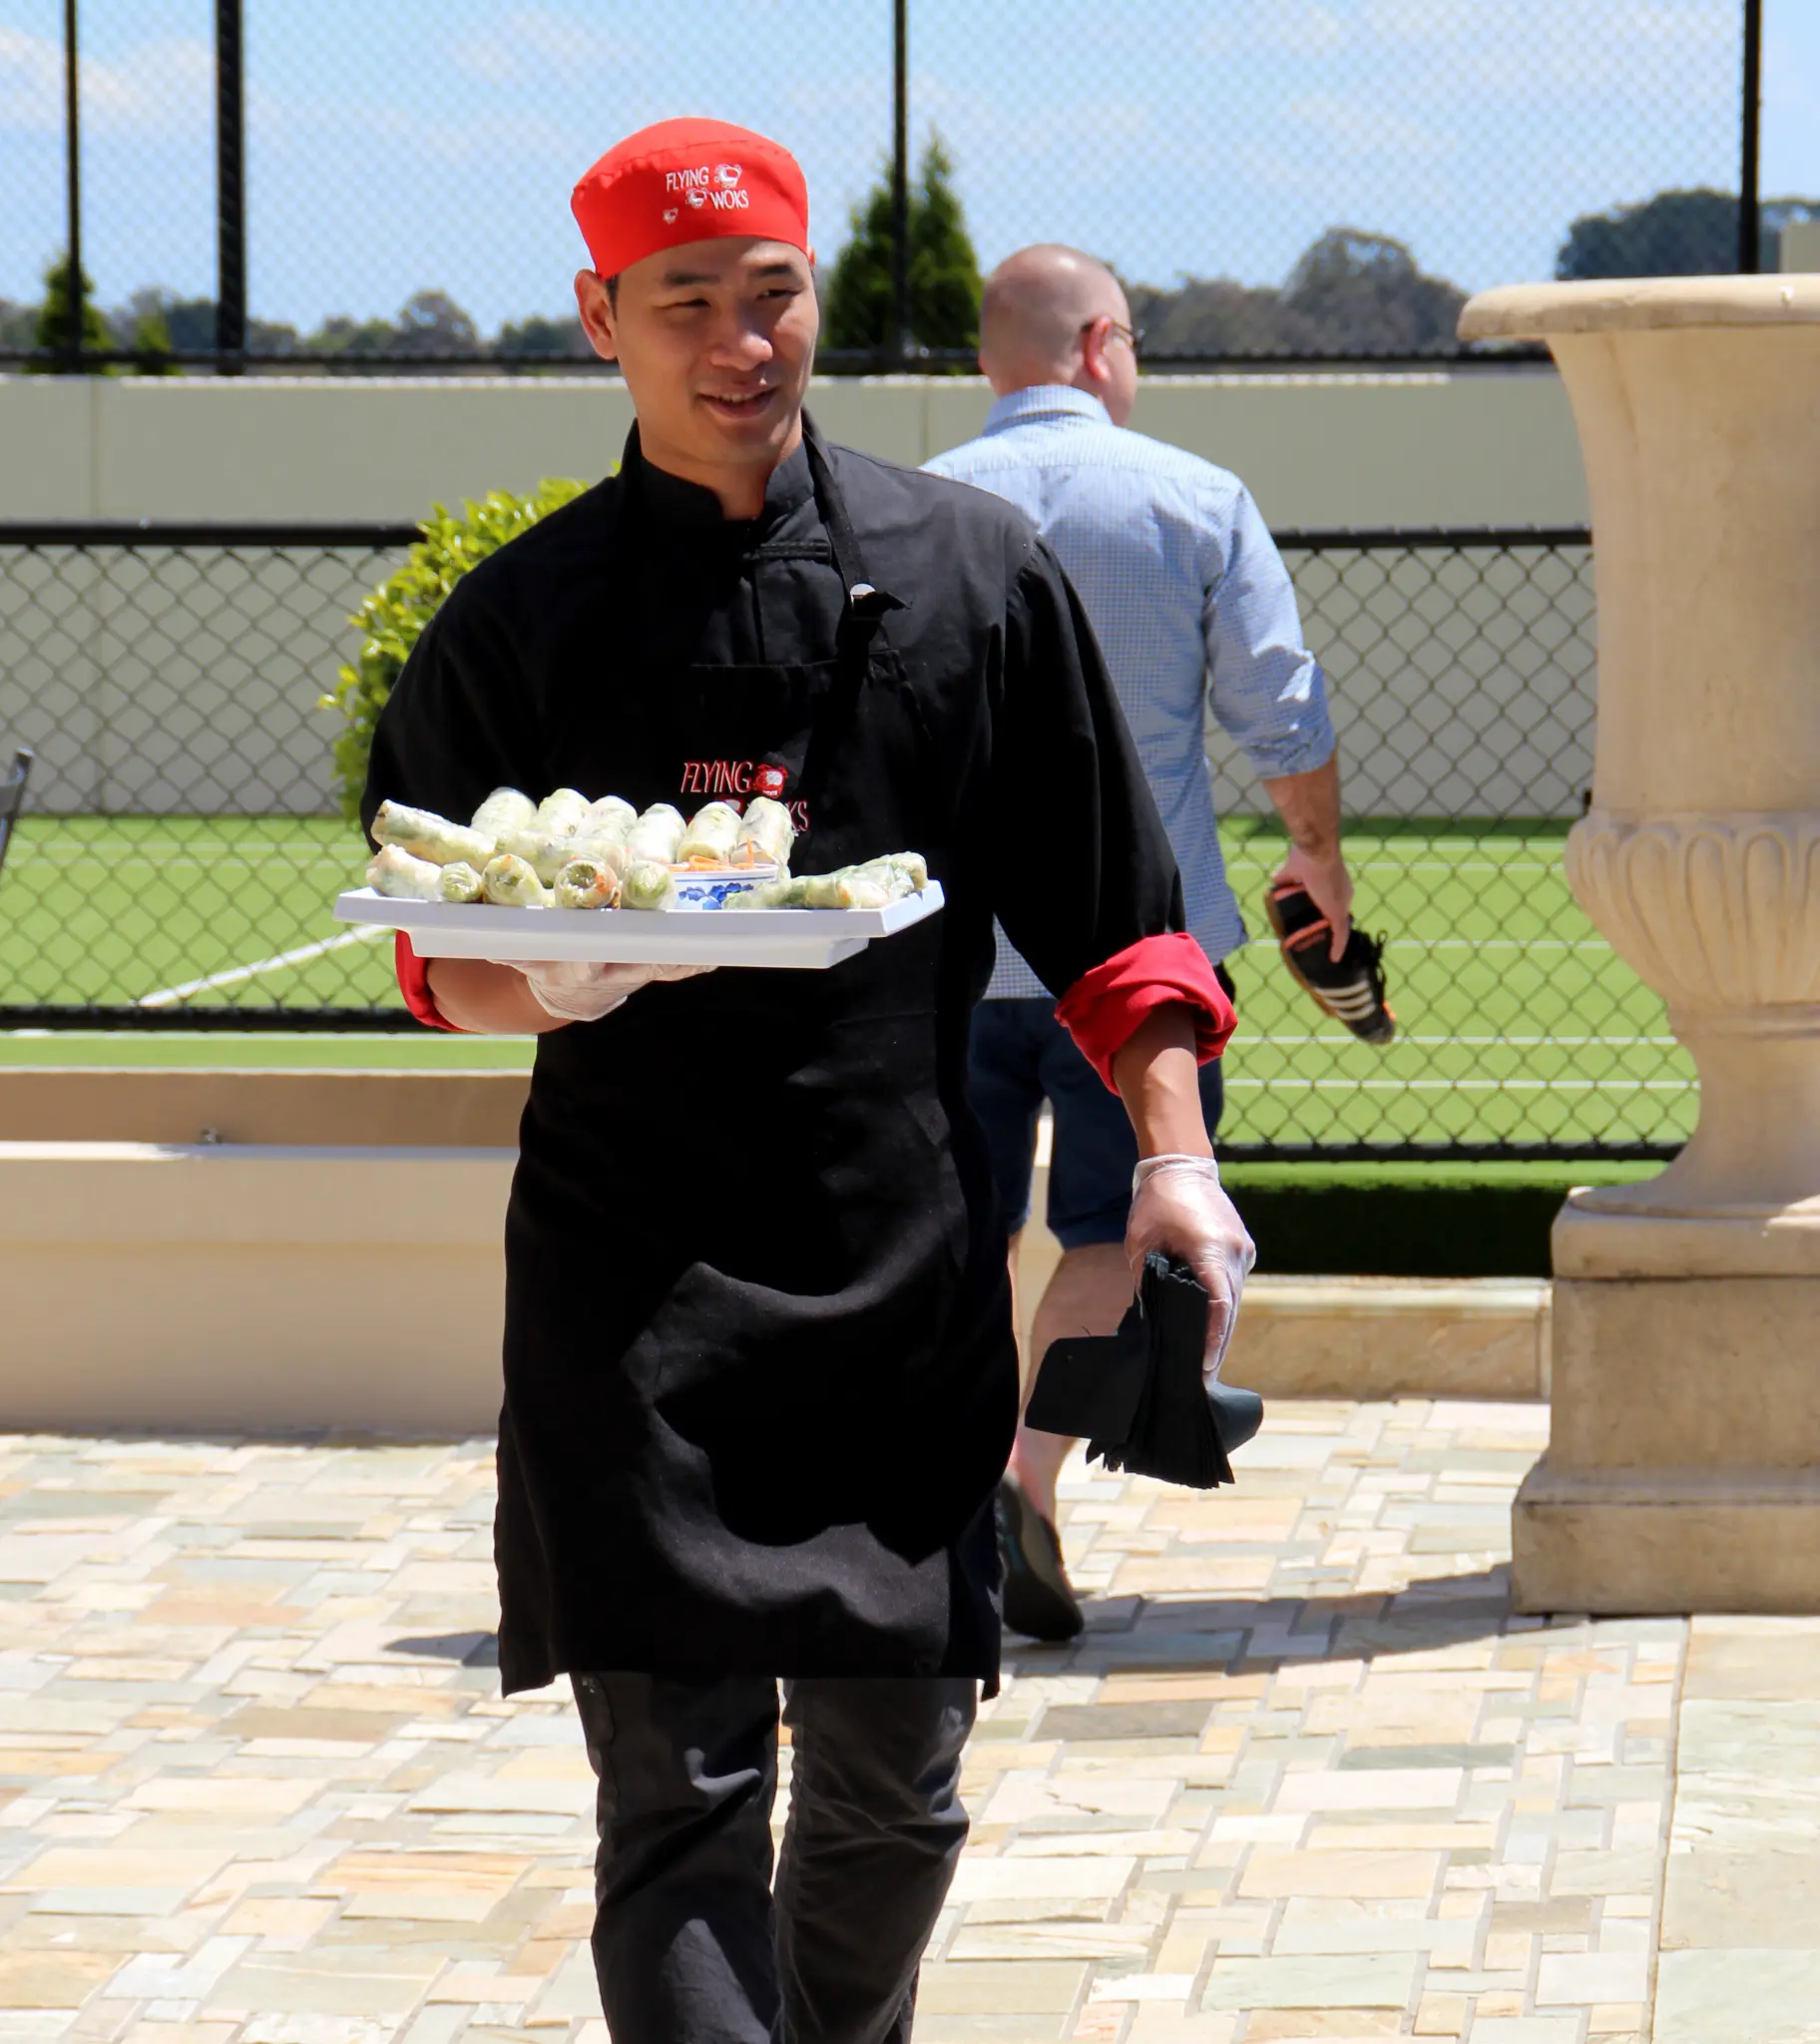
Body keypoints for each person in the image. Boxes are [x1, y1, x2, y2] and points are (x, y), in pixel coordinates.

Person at [362, 128, 1252, 2044]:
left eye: (771, 294)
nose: (739, 340)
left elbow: (1120, 926)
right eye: (685, 302)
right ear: (600, 320)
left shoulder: (969, 575)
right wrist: (551, 975)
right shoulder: (523, 619)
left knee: (897, 1793)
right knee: (675, 1809)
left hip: (898, 1282)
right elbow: (440, 960)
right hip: (630, 1298)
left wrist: (1175, 1162)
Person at [926, 245, 1358, 1644]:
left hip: (946, 948)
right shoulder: (1195, 497)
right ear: (1102, 342)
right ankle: (1024, 1480)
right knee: (1124, 1221)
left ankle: (944, 1500)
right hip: (1139, 960)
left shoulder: (916, 505)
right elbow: (1281, 705)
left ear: (992, 360)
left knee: (951, 1230)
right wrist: (1316, 856)